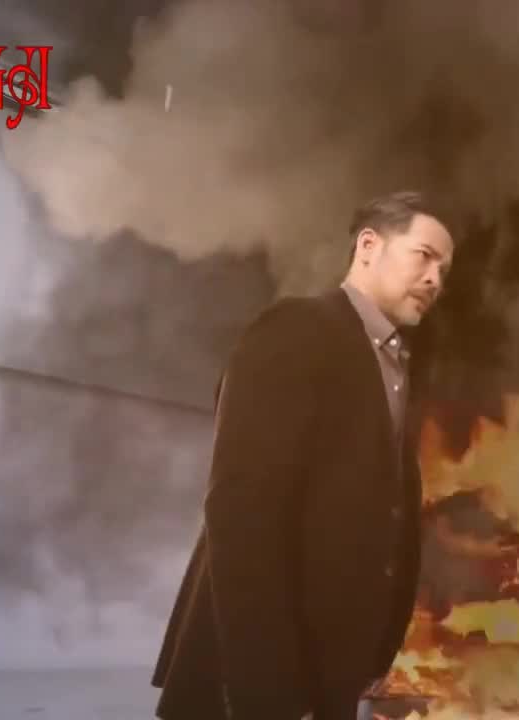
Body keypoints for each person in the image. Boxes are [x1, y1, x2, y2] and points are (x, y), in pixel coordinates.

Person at [151, 191, 456, 720]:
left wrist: (373, 650)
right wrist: (266, 692)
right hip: (263, 680)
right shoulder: (296, 329)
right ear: (369, 246)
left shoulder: (394, 364)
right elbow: (240, 513)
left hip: (328, 667)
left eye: (444, 270)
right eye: (424, 256)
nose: (435, 280)